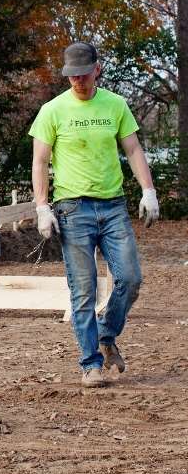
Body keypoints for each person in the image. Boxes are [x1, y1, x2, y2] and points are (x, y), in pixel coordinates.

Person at [29, 42, 159, 388]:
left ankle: (106, 333)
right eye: (72, 77)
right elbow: (40, 161)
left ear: (96, 70)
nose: (78, 82)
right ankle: (91, 364)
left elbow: (132, 148)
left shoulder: (115, 105)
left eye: (84, 75)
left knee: (130, 279)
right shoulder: (52, 111)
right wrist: (42, 207)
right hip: (72, 209)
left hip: (113, 206)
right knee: (83, 291)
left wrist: (148, 190)